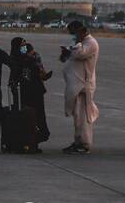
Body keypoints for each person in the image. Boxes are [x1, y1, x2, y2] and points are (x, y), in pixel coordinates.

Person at [59, 21, 99, 154]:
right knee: (77, 115)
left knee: (84, 116)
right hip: (76, 84)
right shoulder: (77, 42)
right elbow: (68, 56)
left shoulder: (90, 43)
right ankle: (78, 141)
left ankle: (85, 144)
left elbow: (80, 53)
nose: (73, 36)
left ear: (81, 31)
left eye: (74, 33)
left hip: (84, 85)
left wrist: (78, 43)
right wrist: (65, 53)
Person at [9, 37, 50, 152]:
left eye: (25, 45)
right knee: (26, 119)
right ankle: (27, 143)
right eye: (21, 45)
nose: (24, 47)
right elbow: (14, 76)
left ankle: (33, 143)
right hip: (24, 93)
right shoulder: (16, 59)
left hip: (35, 92)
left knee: (37, 118)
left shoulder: (33, 57)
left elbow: (42, 72)